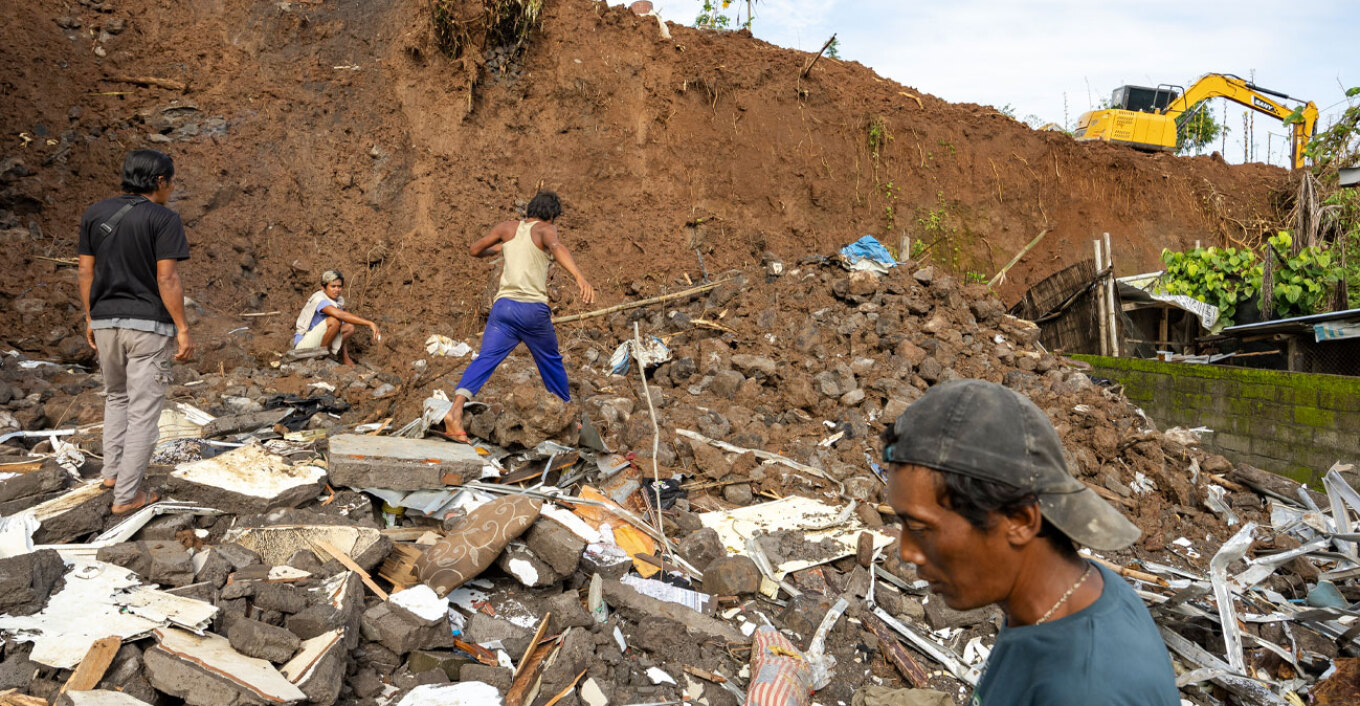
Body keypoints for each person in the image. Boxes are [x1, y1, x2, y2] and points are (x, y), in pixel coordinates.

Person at [881, 379, 1179, 706]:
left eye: (920, 528)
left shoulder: (1085, 691)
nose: (907, 552)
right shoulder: (1068, 597)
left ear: (1019, 521)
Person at [78, 149, 193, 515]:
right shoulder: (163, 219)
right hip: (148, 327)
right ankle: (127, 496)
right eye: (171, 181)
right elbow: (167, 278)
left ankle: (113, 475)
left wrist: (90, 318)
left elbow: (85, 271)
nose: (172, 188)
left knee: (116, 398)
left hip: (105, 322)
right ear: (159, 181)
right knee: (144, 411)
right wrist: (182, 327)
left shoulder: (95, 213)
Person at [442, 191, 594, 442]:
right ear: (552, 216)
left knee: (485, 359)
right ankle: (567, 417)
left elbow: (475, 250)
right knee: (550, 360)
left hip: (503, 310)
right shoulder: (546, 229)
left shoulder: (507, 228)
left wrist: (501, 247)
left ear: (530, 210)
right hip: (531, 311)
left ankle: (455, 411)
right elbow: (557, 247)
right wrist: (580, 277)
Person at [291, 270, 381, 365]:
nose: (337, 289)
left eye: (339, 286)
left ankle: (325, 354)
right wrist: (369, 323)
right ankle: (320, 355)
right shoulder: (319, 299)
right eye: (333, 286)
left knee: (349, 328)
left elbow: (341, 327)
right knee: (334, 321)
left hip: (318, 343)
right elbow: (340, 315)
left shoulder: (336, 303)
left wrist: (346, 358)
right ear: (323, 288)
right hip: (304, 345)